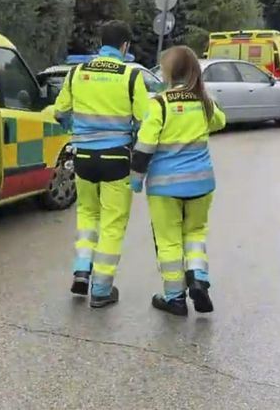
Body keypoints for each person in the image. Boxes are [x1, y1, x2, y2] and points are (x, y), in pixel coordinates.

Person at [54, 20, 149, 308]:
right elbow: (145, 122)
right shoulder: (131, 77)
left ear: (101, 43)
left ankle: (82, 270)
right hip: (116, 159)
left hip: (83, 158)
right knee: (112, 223)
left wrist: (77, 128)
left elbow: (60, 112)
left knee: (87, 216)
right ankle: (102, 289)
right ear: (125, 46)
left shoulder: (77, 73)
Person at [130, 46, 226, 316]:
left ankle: (174, 299)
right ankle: (197, 278)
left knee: (169, 240)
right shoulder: (203, 102)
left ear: (169, 72)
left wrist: (136, 180)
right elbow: (220, 122)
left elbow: (145, 145)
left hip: (165, 186)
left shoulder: (159, 104)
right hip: (201, 184)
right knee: (195, 234)